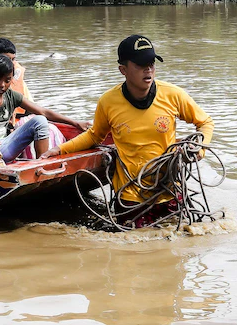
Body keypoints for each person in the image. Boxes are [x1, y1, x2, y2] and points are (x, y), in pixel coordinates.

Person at [42, 34, 214, 226]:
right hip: (131, 197)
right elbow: (94, 135)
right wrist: (59, 150)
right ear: (123, 70)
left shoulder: (173, 95)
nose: (148, 69)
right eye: (141, 64)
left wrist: (200, 148)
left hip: (169, 192)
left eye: (151, 63)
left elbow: (205, 122)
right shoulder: (108, 102)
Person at [0, 55, 89, 166]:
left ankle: (42, 165)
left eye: (7, 80)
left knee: (40, 120)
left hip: (3, 148)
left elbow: (43, 112)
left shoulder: (12, 96)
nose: (2, 85)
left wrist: (75, 122)